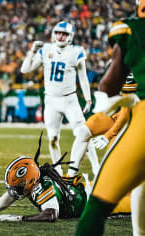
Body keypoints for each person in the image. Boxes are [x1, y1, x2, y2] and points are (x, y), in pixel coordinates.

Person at [76, 1, 145, 235]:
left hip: (139, 117)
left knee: (96, 206)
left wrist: (106, 102)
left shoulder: (131, 30)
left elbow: (109, 85)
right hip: (130, 113)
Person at [0, 134, 131, 223]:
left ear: (29, 181)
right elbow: (10, 196)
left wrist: (20, 218)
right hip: (90, 190)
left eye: (18, 186)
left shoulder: (41, 186)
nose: (15, 191)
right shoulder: (36, 180)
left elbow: (51, 214)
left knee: (138, 201)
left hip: (101, 202)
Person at [20, 21, 95, 176]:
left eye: (64, 34)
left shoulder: (76, 51)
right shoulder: (46, 49)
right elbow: (25, 69)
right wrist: (32, 51)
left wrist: (88, 99)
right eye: (58, 33)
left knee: (83, 133)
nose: (60, 36)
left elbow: (83, 77)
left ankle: (96, 167)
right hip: (51, 101)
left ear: (70, 36)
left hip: (70, 100)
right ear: (54, 34)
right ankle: (59, 173)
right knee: (53, 138)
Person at [67, 73, 137, 178]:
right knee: (83, 132)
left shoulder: (137, 70)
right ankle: (70, 177)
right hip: (114, 113)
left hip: (129, 121)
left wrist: (107, 136)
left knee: (112, 163)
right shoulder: (121, 61)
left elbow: (125, 113)